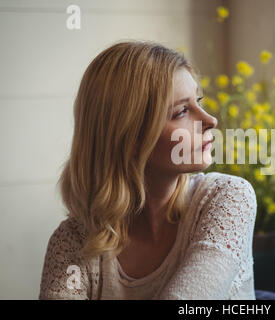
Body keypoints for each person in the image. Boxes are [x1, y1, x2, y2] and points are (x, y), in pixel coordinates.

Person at [38, 40, 257, 300]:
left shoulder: (228, 198)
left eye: (198, 101)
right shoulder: (72, 242)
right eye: (182, 111)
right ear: (129, 139)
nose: (210, 120)